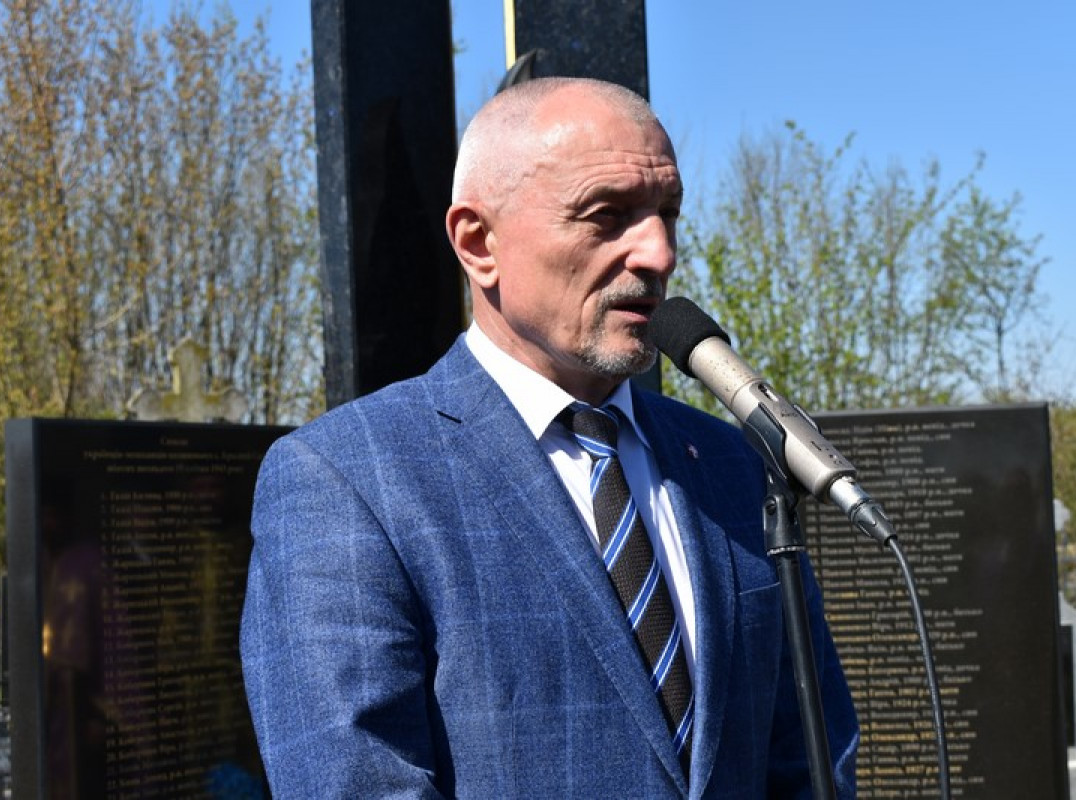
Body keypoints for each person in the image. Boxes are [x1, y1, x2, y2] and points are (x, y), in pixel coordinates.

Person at [240, 77, 859, 799]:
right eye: (608, 215)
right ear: (479, 244)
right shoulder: (346, 480)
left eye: (667, 214)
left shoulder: (729, 463)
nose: (659, 254)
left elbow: (810, 762)